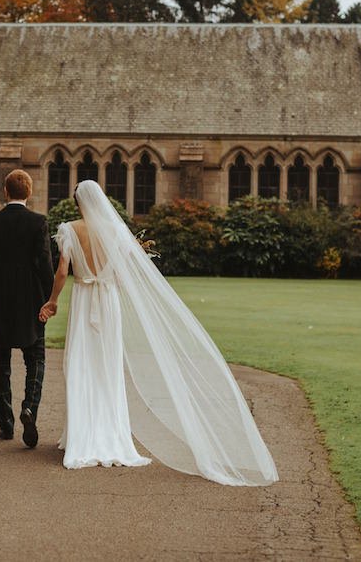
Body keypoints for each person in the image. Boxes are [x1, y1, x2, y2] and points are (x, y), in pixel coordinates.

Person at [39, 180, 278, 486]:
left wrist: (53, 300)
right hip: (107, 302)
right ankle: (111, 435)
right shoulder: (115, 231)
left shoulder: (69, 230)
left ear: (77, 203)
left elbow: (62, 270)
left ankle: (81, 437)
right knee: (108, 368)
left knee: (80, 365)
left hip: (85, 300)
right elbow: (127, 273)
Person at [0, 169, 54, 448]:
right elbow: (45, 265)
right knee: (36, 360)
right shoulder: (38, 223)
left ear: (5, 192)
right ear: (29, 193)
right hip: (31, 301)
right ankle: (29, 408)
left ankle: (6, 426)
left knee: (1, 365)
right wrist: (47, 300)